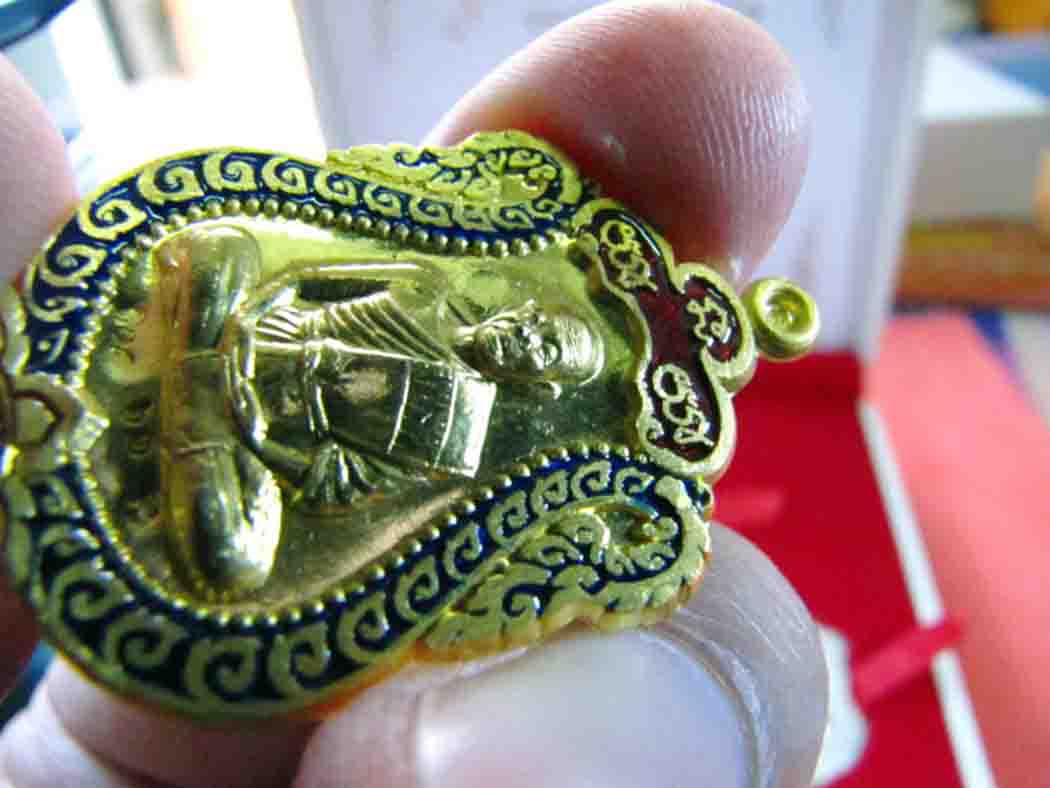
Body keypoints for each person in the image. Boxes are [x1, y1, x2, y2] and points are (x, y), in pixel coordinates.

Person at [0, 3, 827, 786]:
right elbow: (309, 280)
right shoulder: (418, 289)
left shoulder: (457, 441)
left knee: (233, 560)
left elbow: (343, 489)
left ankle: (197, 410)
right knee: (217, 245)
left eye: (540, 353)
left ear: (538, 381)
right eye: (535, 324)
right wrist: (266, 326)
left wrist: (289, 443)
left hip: (227, 436)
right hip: (238, 333)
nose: (523, 337)